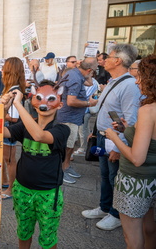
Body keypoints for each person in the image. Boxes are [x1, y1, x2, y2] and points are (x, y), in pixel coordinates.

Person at [0, 79, 70, 249]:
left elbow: (40, 135)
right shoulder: (25, 124)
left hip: (48, 194)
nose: (44, 103)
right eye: (39, 98)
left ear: (60, 104)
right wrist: (3, 108)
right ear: (33, 100)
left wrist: (18, 105)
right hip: (22, 190)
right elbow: (2, 131)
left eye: (51, 99)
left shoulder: (62, 129)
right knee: (23, 232)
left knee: (48, 238)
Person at [82, 44, 141, 231]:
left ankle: (116, 214)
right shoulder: (113, 80)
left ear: (118, 61)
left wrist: (119, 146)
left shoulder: (130, 85)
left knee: (115, 176)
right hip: (103, 136)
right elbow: (105, 108)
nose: (104, 59)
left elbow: (130, 119)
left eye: (109, 56)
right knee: (105, 175)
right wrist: (96, 129)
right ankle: (105, 207)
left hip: (115, 140)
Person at [105, 54, 156, 249]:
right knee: (150, 228)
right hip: (152, 180)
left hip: (135, 182)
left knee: (132, 237)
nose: (136, 81)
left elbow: (136, 158)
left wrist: (113, 136)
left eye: (140, 76)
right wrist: (127, 129)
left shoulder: (148, 110)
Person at [56, 57, 99, 184]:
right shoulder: (75, 76)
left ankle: (67, 166)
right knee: (67, 146)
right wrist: (89, 104)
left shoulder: (77, 73)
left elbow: (90, 83)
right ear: (90, 69)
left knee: (70, 146)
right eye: (94, 69)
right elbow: (71, 101)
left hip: (73, 117)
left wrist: (89, 74)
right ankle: (62, 171)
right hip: (68, 117)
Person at [0, 57, 26, 200]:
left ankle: (11, 189)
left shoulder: (14, 91)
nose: (2, 71)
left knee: (10, 160)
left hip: (9, 130)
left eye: (4, 68)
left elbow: (15, 118)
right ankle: (8, 185)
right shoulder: (13, 88)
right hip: (7, 130)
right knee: (7, 160)